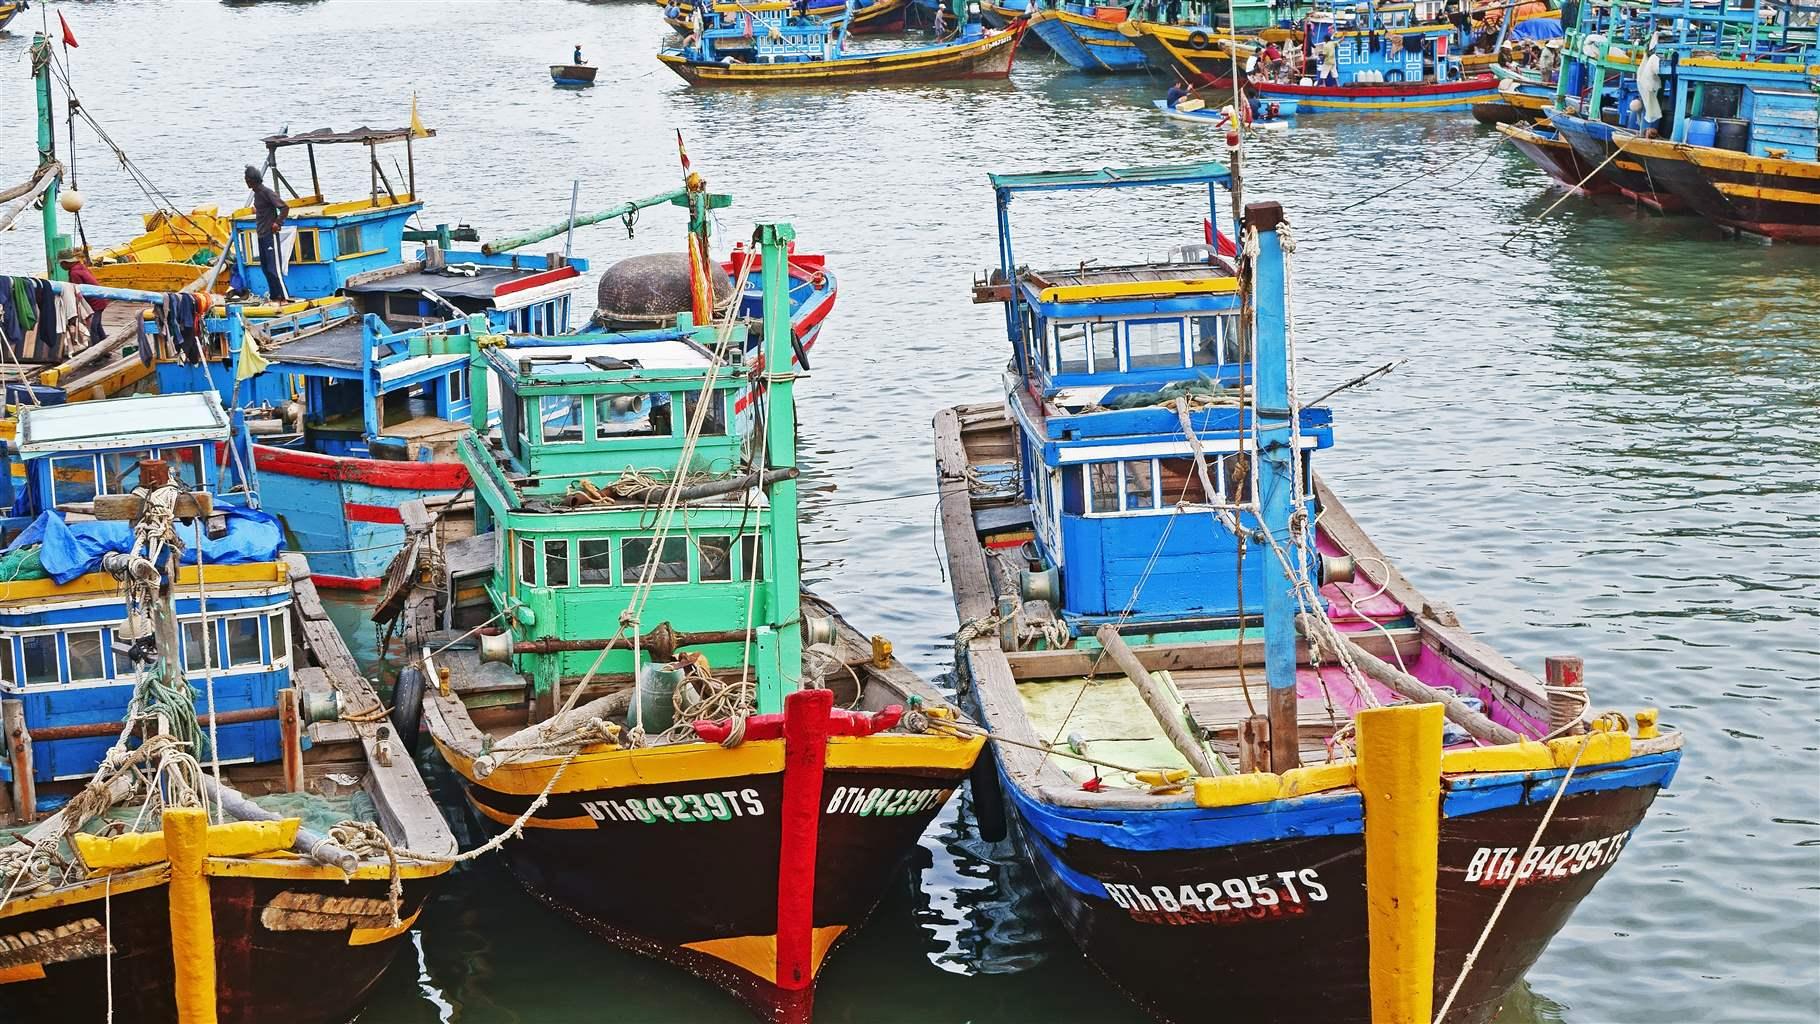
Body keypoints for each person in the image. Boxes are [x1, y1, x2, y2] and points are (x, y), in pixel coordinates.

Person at [244, 165, 288, 302]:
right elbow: (263, 209)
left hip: (270, 235)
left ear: (251, 180)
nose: (245, 181)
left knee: (273, 268)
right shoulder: (256, 194)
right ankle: (275, 296)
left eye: (246, 179)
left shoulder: (266, 192)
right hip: (261, 235)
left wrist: (278, 223)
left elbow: (284, 207)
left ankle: (284, 298)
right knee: (265, 268)